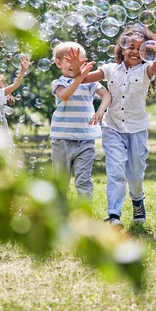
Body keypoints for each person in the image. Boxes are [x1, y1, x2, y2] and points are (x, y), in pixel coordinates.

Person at [70, 25, 156, 228]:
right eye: (130, 47)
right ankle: (114, 215)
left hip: (137, 129)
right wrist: (76, 68)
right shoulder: (109, 69)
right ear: (121, 48)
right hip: (112, 127)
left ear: (147, 52)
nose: (134, 51)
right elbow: (84, 79)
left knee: (135, 175)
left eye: (140, 48)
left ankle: (137, 199)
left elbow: (155, 67)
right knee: (115, 171)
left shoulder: (145, 70)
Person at [50, 42, 111, 203]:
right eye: (69, 60)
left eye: (78, 60)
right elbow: (65, 96)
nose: (74, 64)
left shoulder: (90, 83)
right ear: (58, 63)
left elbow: (106, 95)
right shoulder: (59, 83)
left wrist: (101, 110)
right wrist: (80, 77)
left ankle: (85, 217)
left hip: (86, 140)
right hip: (61, 140)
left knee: (83, 181)